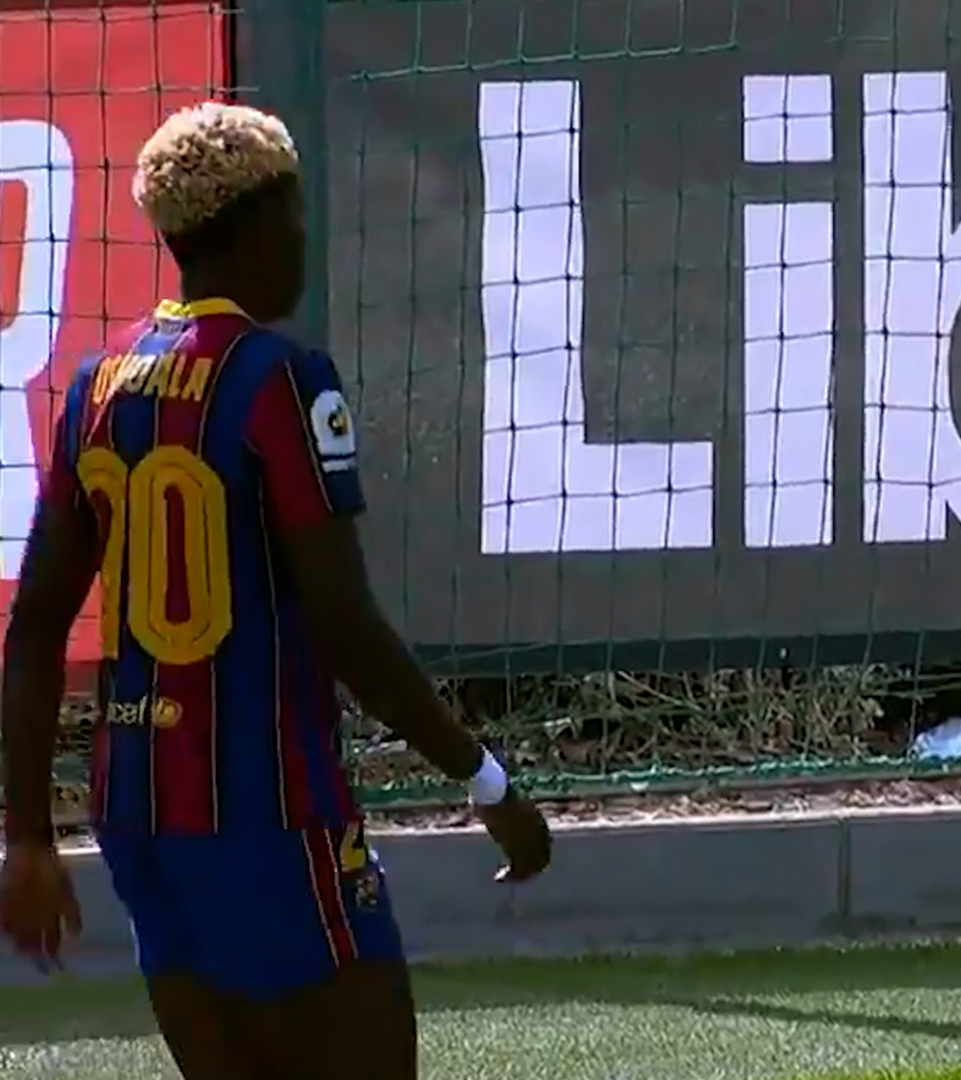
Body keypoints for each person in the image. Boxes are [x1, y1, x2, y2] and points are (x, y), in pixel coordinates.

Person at [0, 102, 553, 1080]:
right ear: (257, 224)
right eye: (294, 214)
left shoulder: (97, 387)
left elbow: (36, 627)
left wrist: (31, 838)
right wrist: (485, 780)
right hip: (271, 815)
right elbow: (347, 629)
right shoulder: (281, 381)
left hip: (139, 816)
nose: (304, 238)